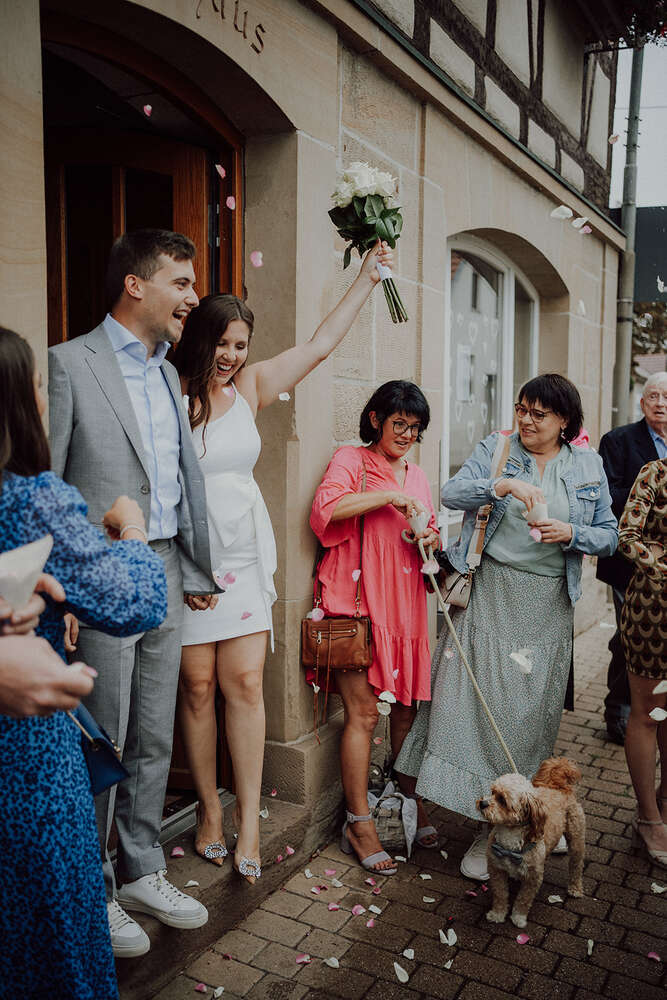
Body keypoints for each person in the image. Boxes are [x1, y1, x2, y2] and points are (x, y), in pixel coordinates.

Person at [172, 241, 394, 882]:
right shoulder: (170, 390)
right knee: (196, 687)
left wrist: (364, 278)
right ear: (198, 338)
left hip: (243, 555)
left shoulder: (251, 386)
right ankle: (208, 809)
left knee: (243, 685)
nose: (232, 355)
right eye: (223, 343)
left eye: (241, 344)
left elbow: (321, 345)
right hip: (189, 557)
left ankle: (247, 820)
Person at [48, 230, 217, 956]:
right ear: (135, 286)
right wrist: (60, 599)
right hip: (98, 578)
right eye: (181, 282)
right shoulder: (66, 364)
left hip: (167, 573)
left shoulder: (168, 372)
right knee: (104, 735)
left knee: (153, 730)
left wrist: (197, 568)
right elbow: (47, 486)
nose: (192, 297)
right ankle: (92, 882)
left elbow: (179, 475)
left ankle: (142, 865)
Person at [0, 325, 167, 997]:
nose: (45, 397)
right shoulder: (29, 497)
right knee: (46, 937)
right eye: (37, 385)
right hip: (24, 760)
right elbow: (133, 601)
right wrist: (129, 527)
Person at [397, 374, 618, 881]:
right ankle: (488, 829)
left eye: (539, 414)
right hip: (491, 592)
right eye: (522, 409)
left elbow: (609, 535)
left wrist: (572, 532)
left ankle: (526, 820)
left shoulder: (587, 464)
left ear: (565, 421)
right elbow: (452, 493)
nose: (526, 420)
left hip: (547, 604)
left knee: (530, 716)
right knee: (478, 705)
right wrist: (500, 484)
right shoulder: (497, 449)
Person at [308, 380, 439, 874]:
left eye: (415, 427)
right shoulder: (351, 459)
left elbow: (423, 537)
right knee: (363, 715)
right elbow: (325, 512)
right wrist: (387, 494)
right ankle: (359, 821)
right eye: (399, 423)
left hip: (404, 606)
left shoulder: (420, 476)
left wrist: (428, 538)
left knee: (405, 713)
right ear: (376, 420)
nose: (407, 434)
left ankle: (409, 800)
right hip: (357, 606)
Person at [597, 372, 667, 744]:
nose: (660, 403)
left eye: (666, 396)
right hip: (632, 562)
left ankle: (655, 708)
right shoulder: (619, 440)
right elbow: (606, 496)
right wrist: (652, 502)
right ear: (642, 402)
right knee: (629, 638)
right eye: (653, 395)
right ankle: (619, 711)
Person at [618, 458, 667, 866]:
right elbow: (628, 536)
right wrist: (660, 564)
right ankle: (648, 818)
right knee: (650, 713)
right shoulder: (657, 472)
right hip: (654, 612)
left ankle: (665, 804)